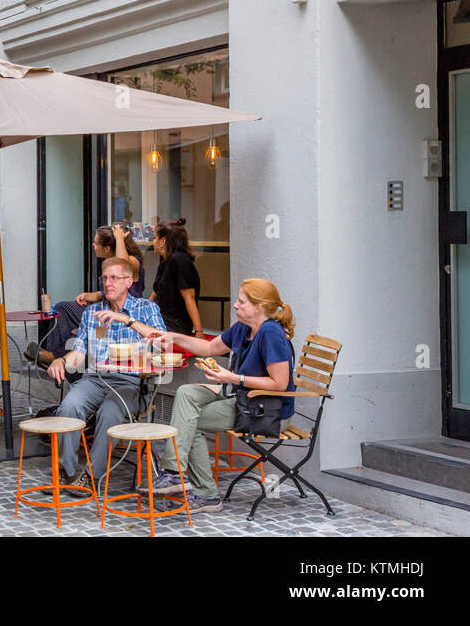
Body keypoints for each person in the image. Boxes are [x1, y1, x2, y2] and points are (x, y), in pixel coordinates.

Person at [139, 279, 297, 514]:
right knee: (186, 392)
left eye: (241, 301)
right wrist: (170, 336)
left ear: (259, 307)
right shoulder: (244, 328)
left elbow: (280, 383)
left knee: (190, 422)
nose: (235, 305)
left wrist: (232, 378)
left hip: (269, 411)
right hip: (245, 401)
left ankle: (205, 494)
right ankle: (174, 474)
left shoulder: (271, 333)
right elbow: (209, 348)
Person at [46, 256, 166, 489]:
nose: (107, 283)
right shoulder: (93, 313)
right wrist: (61, 360)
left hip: (131, 383)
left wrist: (126, 320)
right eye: (104, 278)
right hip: (95, 379)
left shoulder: (146, 308)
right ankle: (68, 473)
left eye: (114, 278)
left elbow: (162, 343)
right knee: (69, 406)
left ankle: (92, 476)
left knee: (110, 413)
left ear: (129, 282)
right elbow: (79, 353)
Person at [28, 224, 147, 367]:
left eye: (96, 243)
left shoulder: (132, 261)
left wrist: (119, 238)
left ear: (107, 248)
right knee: (62, 308)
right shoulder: (109, 263)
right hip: (106, 307)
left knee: (90, 328)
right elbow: (107, 292)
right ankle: (54, 354)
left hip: (123, 314)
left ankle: (57, 356)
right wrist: (88, 295)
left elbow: (123, 266)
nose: (93, 245)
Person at [151, 218, 202, 335]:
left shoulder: (179, 260)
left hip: (174, 324)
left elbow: (189, 297)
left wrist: (199, 331)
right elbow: (156, 292)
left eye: (154, 238)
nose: (152, 241)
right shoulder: (165, 261)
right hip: (161, 318)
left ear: (162, 241)